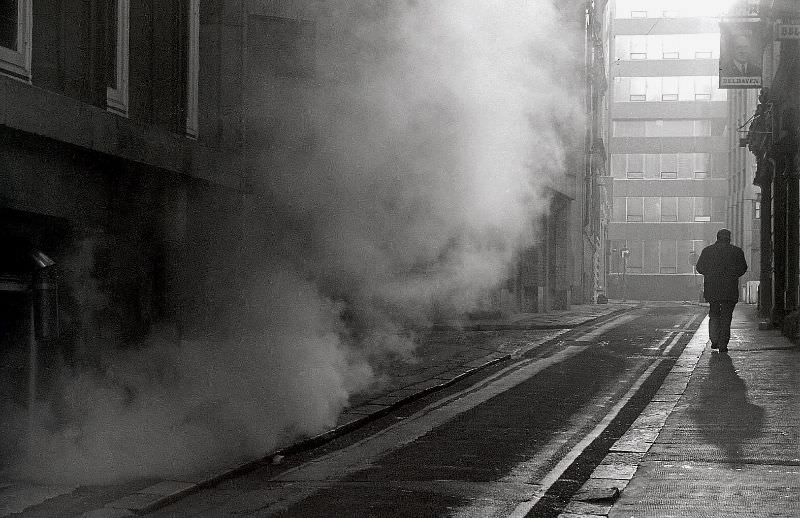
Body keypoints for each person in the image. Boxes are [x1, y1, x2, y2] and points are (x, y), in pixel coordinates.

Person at [695, 229, 748, 352]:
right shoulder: (737, 251)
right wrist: (733, 275)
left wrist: (709, 274)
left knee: (714, 314)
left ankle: (714, 339)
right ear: (729, 238)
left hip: (712, 289)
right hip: (730, 290)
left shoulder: (707, 251)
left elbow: (699, 267)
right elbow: (743, 268)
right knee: (726, 316)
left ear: (717, 237)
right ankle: (723, 344)